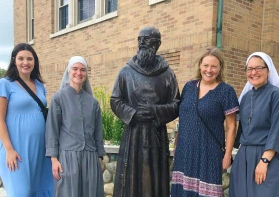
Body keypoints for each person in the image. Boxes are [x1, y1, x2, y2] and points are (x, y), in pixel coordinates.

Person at [110, 26, 180, 197]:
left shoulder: (167, 74)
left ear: (157, 44)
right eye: (139, 39)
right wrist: (133, 114)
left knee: (155, 178)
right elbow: (115, 100)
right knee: (131, 179)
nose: (142, 43)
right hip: (133, 134)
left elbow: (177, 104)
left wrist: (155, 111)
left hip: (156, 135)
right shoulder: (126, 72)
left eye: (146, 40)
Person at [171, 47, 239, 197]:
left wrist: (227, 155)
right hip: (185, 150)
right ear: (200, 66)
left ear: (220, 68)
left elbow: (231, 126)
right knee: (182, 191)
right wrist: (176, 144)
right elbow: (184, 118)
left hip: (209, 152)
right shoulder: (189, 87)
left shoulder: (226, 91)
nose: (209, 70)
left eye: (214, 66)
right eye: (206, 65)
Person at [229, 52, 279, 197]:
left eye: (259, 68)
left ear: (268, 70)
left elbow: (278, 130)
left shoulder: (277, 95)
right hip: (244, 157)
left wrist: (264, 161)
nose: (254, 72)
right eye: (249, 69)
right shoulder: (245, 98)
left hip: (268, 157)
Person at [45, 56, 105, 197]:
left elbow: (98, 133)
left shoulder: (93, 103)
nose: (79, 73)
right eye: (75, 69)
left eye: (82, 70)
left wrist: (100, 157)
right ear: (68, 71)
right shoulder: (58, 98)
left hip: (90, 158)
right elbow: (52, 130)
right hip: (67, 158)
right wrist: (54, 159)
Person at [0, 43, 53, 196]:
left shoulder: (40, 85)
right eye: (21, 58)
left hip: (40, 150)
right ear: (14, 61)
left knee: (41, 190)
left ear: (34, 62)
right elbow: (0, 120)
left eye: (30, 59)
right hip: (16, 150)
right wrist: (9, 149)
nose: (25, 62)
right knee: (21, 192)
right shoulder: (5, 84)